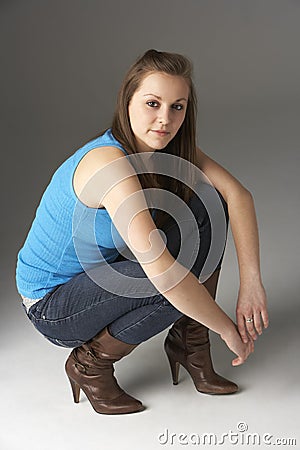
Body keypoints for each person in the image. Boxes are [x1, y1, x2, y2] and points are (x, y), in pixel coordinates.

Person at [16, 49, 268, 415]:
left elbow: (237, 196)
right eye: (152, 103)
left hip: (99, 276)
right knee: (165, 279)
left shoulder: (166, 148)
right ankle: (90, 363)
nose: (164, 120)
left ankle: (189, 343)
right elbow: (164, 274)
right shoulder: (110, 164)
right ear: (128, 101)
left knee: (209, 203)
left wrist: (252, 285)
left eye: (177, 107)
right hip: (52, 305)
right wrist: (227, 328)